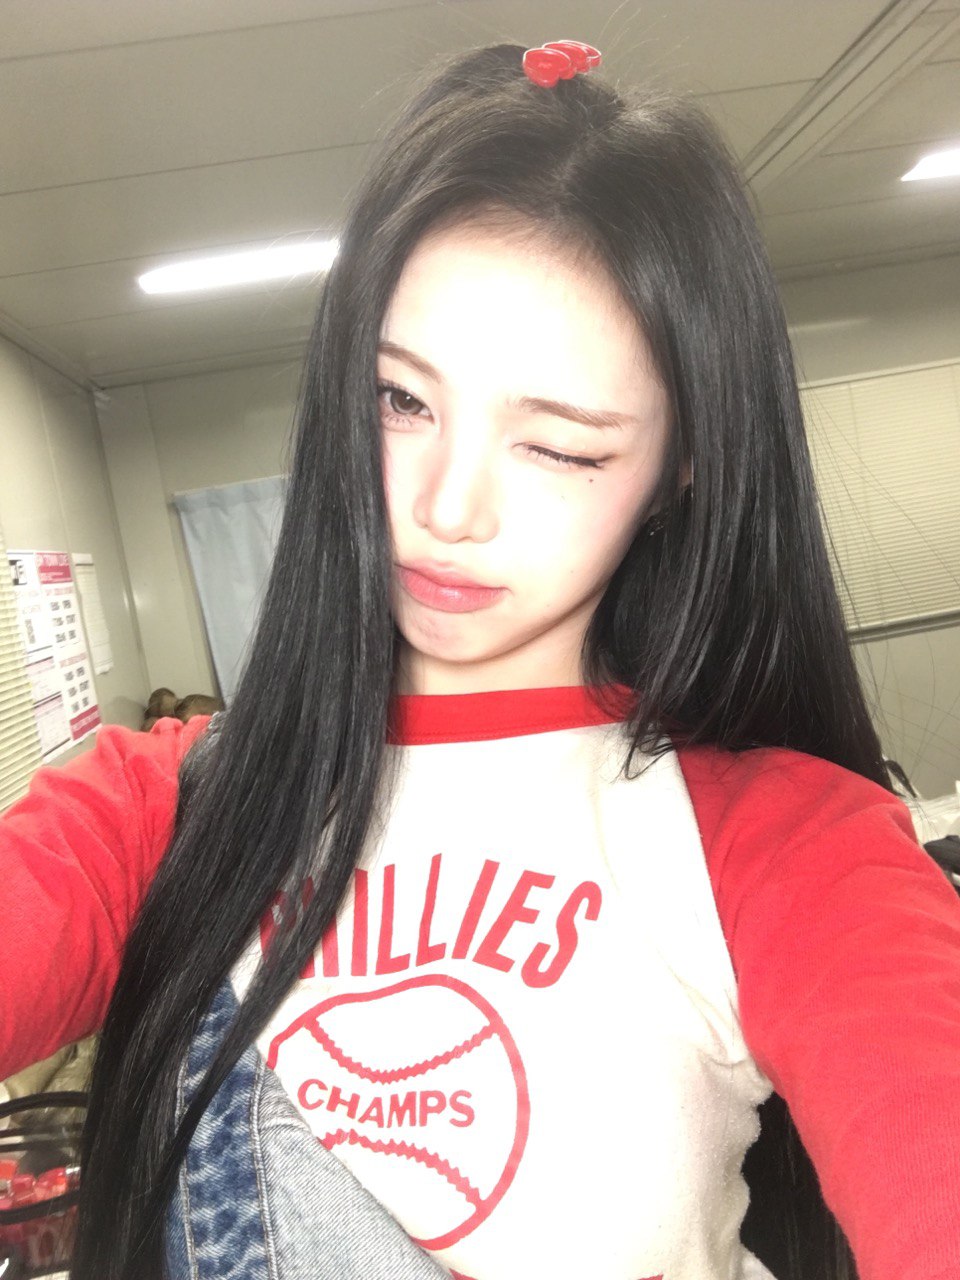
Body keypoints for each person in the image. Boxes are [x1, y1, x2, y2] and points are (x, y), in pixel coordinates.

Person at [1, 38, 958, 1280]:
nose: (444, 508)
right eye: (399, 400)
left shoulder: (781, 844)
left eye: (558, 445)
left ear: (682, 466)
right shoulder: (164, 808)